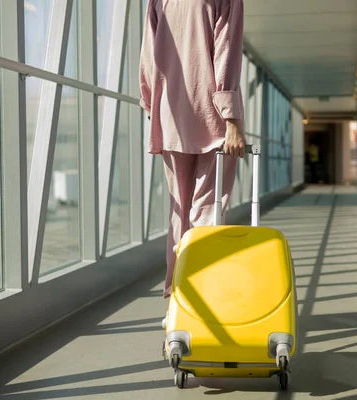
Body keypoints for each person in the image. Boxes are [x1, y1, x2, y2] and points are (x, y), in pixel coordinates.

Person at [139, 0, 246, 324]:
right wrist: (233, 119)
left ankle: (177, 301)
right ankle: (204, 302)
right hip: (213, 119)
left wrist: (152, 105)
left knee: (180, 217)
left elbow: (148, 54)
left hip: (172, 117)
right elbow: (226, 51)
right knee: (207, 213)